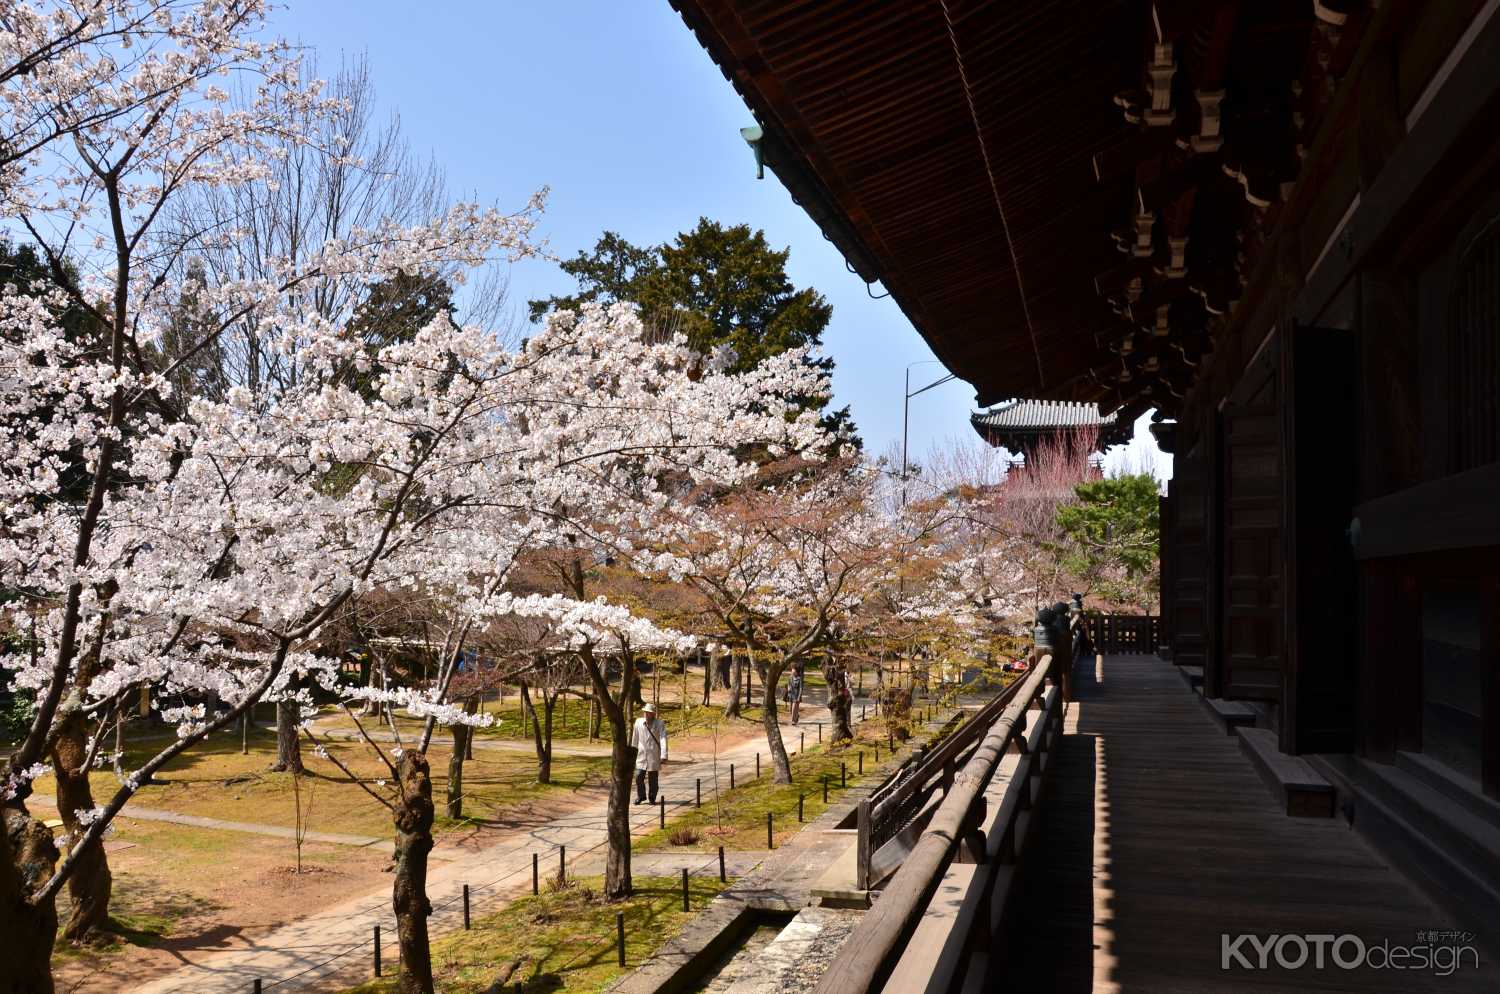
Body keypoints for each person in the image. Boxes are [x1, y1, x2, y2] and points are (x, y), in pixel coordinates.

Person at [632, 701, 668, 805]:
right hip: (641, 755)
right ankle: (641, 796)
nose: (646, 714)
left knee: (653, 778)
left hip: (653, 754)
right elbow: (635, 738)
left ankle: (652, 797)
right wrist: (632, 751)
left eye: (649, 712)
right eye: (645, 712)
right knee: (639, 776)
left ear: (653, 714)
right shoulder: (638, 722)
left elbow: (663, 739)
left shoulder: (659, 724)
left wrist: (663, 755)